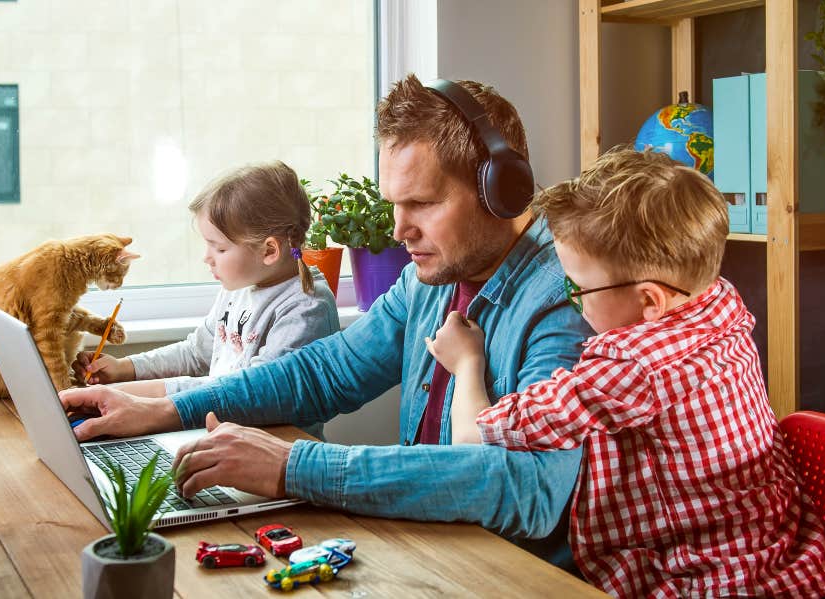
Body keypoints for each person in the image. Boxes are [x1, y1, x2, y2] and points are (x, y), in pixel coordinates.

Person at [58, 74, 593, 568]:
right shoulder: (429, 280)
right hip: (432, 548)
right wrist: (162, 410)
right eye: (392, 204)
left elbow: (530, 488)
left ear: (502, 189)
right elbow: (324, 372)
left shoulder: (569, 298)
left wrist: (294, 466)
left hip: (512, 574)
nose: (399, 229)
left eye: (422, 203)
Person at [428, 148, 825, 597]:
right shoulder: (719, 301)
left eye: (577, 287)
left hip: (715, 584)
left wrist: (467, 365)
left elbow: (471, 440)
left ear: (649, 302)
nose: (572, 301)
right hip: (790, 565)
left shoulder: (634, 368)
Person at [72, 161, 339, 436]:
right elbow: (196, 353)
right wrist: (125, 369)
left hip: (272, 453)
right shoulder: (240, 286)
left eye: (219, 248)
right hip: (219, 436)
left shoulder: (305, 308)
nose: (206, 257)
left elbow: (247, 392)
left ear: (269, 250)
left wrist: (133, 395)